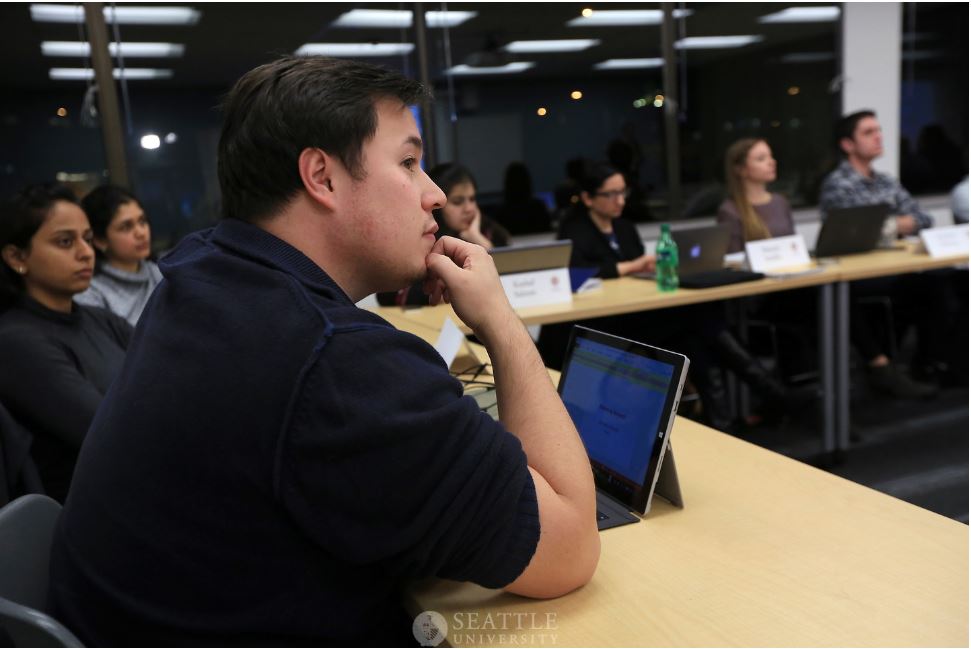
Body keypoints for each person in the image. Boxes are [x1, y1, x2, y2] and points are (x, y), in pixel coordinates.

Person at [50, 56, 600, 646]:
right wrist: (499, 320)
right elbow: (570, 548)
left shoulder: (203, 272)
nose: (434, 194)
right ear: (322, 177)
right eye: (409, 163)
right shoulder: (335, 362)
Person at [551, 162, 810, 431]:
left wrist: (645, 267)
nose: (620, 201)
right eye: (611, 194)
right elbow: (575, 273)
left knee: (697, 336)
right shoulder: (575, 230)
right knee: (701, 321)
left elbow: (638, 265)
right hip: (604, 322)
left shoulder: (625, 227)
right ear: (588, 198)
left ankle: (723, 423)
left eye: (623, 192)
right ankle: (770, 395)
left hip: (638, 311)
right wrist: (631, 266)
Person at [0, 184, 132, 502]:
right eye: (65, 241)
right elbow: (109, 432)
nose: (86, 252)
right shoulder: (15, 342)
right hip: (91, 510)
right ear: (17, 257)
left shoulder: (103, 320)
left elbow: (173, 383)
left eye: (87, 239)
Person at [819, 110, 949, 395]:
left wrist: (887, 225)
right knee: (916, 289)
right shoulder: (838, 184)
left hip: (891, 266)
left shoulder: (887, 181)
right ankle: (881, 367)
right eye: (868, 132)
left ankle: (925, 365)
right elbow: (850, 230)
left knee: (938, 284)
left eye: (878, 130)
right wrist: (895, 224)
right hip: (857, 273)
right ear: (847, 144)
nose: (879, 136)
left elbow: (924, 218)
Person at [74, 184, 163, 326]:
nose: (141, 232)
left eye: (142, 221)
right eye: (126, 227)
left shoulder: (159, 272)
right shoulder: (90, 293)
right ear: (99, 240)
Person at [717, 138, 796, 253]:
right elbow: (733, 260)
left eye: (771, 156)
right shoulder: (729, 211)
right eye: (761, 159)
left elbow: (794, 245)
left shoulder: (780, 202)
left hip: (789, 268)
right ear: (741, 169)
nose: (772, 162)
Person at [429, 162, 510, 249]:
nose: (469, 209)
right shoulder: (429, 245)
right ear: (437, 205)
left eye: (472, 199)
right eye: (457, 202)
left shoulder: (495, 234)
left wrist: (477, 238)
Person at [495, 161, 551, 235]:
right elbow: (547, 230)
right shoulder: (538, 206)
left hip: (511, 246)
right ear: (527, 181)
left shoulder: (501, 210)